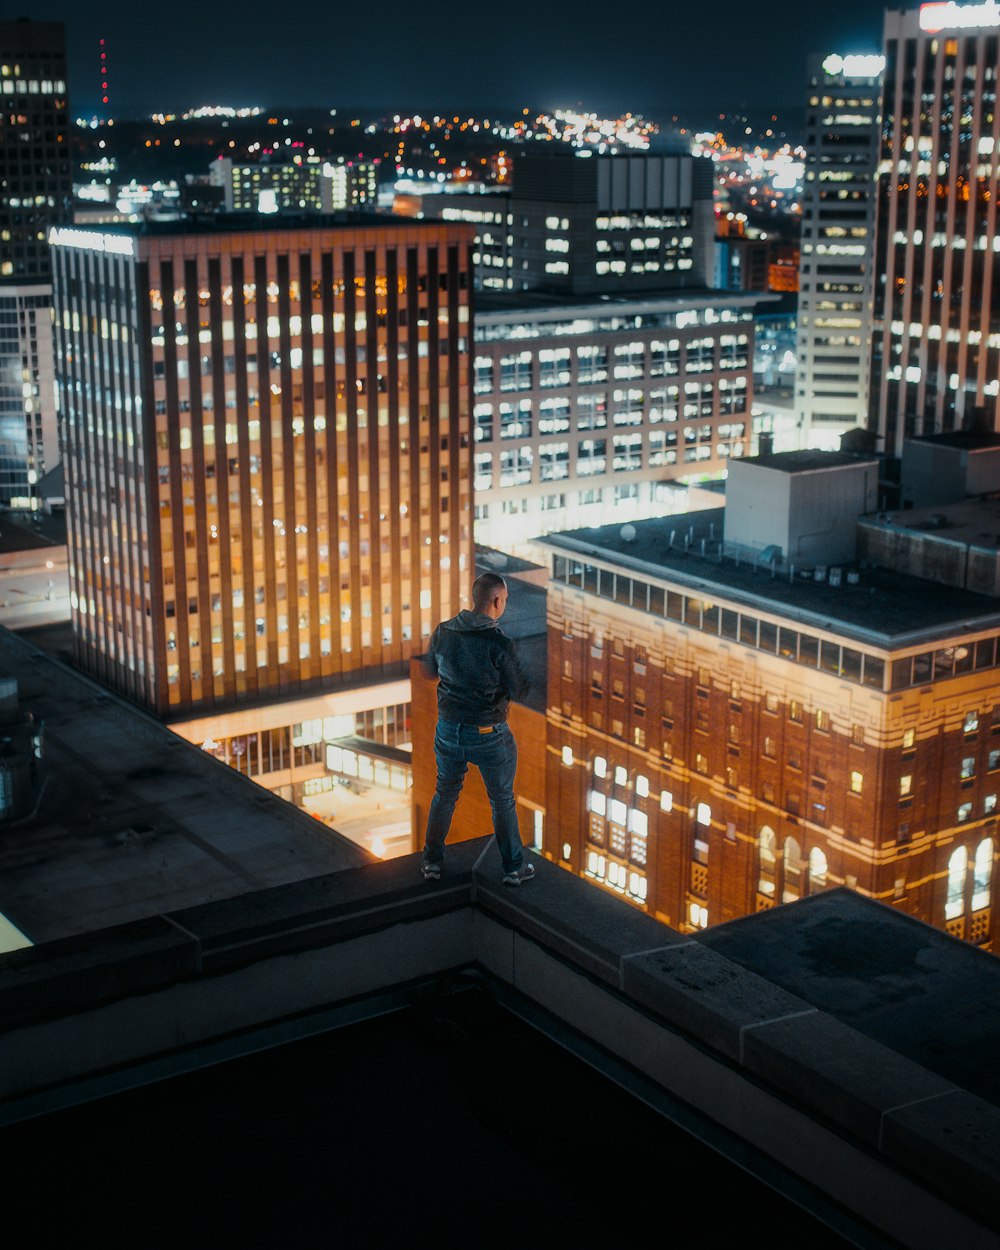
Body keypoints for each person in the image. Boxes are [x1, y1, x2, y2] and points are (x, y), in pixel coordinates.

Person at [420, 571, 533, 886]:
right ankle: (513, 868)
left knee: (445, 792)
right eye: (505, 600)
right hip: (488, 733)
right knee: (501, 800)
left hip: (448, 729)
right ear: (497, 600)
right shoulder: (499, 643)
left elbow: (430, 671)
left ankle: (431, 862)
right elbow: (520, 690)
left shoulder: (443, 631)